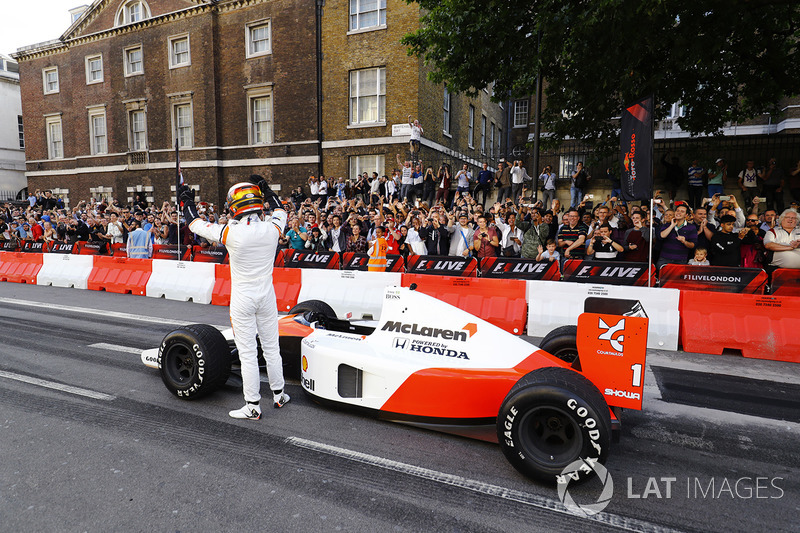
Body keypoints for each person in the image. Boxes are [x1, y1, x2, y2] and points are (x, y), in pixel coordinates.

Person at [178, 179, 290, 419]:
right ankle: (279, 395)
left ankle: (252, 405)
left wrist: (186, 201)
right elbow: (280, 209)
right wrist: (269, 190)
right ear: (258, 202)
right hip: (267, 296)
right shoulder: (273, 228)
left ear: (233, 206)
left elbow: (195, 224)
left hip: (243, 299)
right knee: (272, 348)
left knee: (248, 353)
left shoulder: (230, 232)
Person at [657, 204, 697, 269]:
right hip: (664, 259)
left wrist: (684, 242)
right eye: (677, 211)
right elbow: (662, 236)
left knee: (678, 279)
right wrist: (672, 225)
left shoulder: (691, 227)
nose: (679, 213)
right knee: (662, 278)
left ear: (686, 215)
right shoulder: (667, 225)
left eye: (682, 211)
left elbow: (693, 245)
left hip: (681, 260)